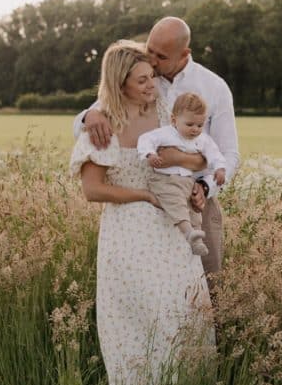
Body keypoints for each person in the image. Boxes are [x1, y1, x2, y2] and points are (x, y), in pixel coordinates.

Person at [69, 40, 214, 385]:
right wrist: (145, 195)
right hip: (128, 232)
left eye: (152, 77)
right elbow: (93, 189)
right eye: (142, 81)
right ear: (120, 85)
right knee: (136, 314)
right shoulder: (103, 124)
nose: (152, 86)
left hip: (172, 229)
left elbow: (201, 159)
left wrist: (194, 184)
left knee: (181, 309)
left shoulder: (167, 111)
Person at [76, 16, 239, 279]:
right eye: (149, 49)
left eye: (160, 56)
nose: (151, 60)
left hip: (198, 201)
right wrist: (88, 116)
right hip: (148, 203)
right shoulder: (142, 75)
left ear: (184, 53)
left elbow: (229, 153)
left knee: (206, 285)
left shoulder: (214, 88)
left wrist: (206, 187)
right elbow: (101, 115)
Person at [137, 92, 227, 257]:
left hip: (187, 181)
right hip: (165, 180)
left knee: (194, 209)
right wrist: (150, 154)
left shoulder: (203, 140)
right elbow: (145, 139)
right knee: (176, 202)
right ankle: (188, 232)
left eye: (200, 125)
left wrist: (220, 168)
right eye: (190, 124)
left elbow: (215, 154)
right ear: (174, 120)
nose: (195, 129)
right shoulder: (165, 133)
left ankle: (197, 240)